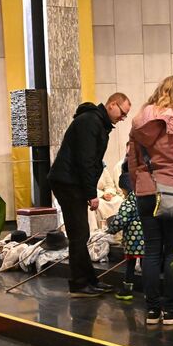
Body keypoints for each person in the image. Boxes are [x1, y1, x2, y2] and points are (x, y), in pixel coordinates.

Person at [128, 76, 173, 325]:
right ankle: (171, 310)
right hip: (172, 192)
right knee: (172, 251)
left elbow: (132, 163)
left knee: (151, 250)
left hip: (145, 192)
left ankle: (152, 311)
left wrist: (139, 186)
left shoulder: (138, 122)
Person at [48, 92, 131, 297]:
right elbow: (85, 160)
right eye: (122, 113)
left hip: (71, 182)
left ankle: (89, 280)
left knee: (81, 233)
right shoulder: (90, 121)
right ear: (112, 104)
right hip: (68, 183)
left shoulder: (96, 122)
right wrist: (91, 193)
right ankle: (79, 284)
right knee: (79, 234)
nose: (123, 118)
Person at [106, 169, 144, 301]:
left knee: (130, 265)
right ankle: (149, 291)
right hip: (147, 239)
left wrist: (111, 230)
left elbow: (120, 220)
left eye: (122, 190)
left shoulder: (128, 203)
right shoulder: (144, 199)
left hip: (133, 241)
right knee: (147, 265)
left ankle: (127, 290)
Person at [88, 162, 124, 231]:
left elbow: (109, 184)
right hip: (92, 195)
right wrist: (102, 195)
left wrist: (109, 192)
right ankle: (99, 230)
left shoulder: (102, 167)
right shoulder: (84, 168)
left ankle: (117, 229)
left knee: (119, 200)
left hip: (105, 194)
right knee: (98, 204)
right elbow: (86, 187)